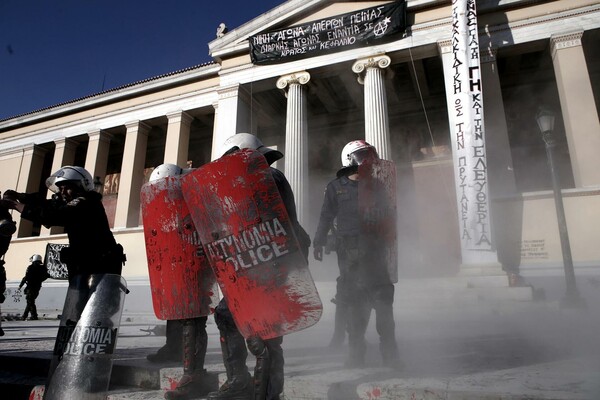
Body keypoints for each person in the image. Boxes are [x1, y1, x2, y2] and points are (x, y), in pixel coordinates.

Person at [207, 133, 310, 400]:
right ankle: (240, 381)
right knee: (227, 316)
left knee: (266, 329)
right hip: (251, 260)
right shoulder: (241, 181)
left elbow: (262, 221)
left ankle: (269, 393)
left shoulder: (267, 176)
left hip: (269, 260)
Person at [313, 140, 401, 369]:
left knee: (383, 302)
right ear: (349, 158)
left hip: (375, 251)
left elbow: (389, 216)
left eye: (370, 155)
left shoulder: (378, 186)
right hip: (349, 255)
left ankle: (390, 355)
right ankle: (356, 354)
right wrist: (319, 241)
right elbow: (325, 215)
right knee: (354, 304)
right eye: (363, 155)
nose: (368, 160)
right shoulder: (335, 187)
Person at [143, 163, 215, 400]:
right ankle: (176, 352)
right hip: (176, 266)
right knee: (177, 311)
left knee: (193, 319)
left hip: (196, 267)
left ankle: (193, 374)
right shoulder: (168, 204)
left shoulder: (196, 197)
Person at [2, 166, 125, 280]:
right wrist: (21, 196)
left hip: (100, 267)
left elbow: (54, 215)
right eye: (61, 188)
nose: (63, 192)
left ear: (81, 186)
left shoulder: (86, 202)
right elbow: (48, 204)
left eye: (67, 187)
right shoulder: (74, 201)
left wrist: (16, 205)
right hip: (85, 267)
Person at [18, 254, 49, 320]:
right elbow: (46, 276)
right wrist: (39, 280)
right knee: (30, 301)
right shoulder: (43, 268)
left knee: (30, 301)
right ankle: (31, 315)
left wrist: (21, 285)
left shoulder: (31, 267)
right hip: (37, 287)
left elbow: (26, 277)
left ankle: (29, 316)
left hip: (31, 287)